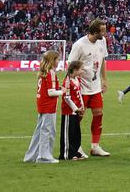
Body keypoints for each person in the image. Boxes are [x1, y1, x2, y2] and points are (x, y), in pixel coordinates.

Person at [68, 19, 109, 156]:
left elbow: (103, 60)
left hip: (96, 87)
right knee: (79, 117)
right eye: (102, 30)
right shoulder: (79, 45)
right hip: (82, 88)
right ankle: (76, 146)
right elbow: (70, 66)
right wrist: (74, 85)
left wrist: (104, 79)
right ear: (94, 31)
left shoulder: (102, 42)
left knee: (99, 114)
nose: (105, 33)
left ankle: (95, 146)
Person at [25, 50, 63, 164]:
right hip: (48, 106)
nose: (59, 61)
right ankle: (44, 157)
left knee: (39, 131)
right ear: (52, 61)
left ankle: (31, 156)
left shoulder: (43, 72)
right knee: (48, 130)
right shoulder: (51, 72)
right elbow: (51, 92)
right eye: (57, 59)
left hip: (42, 104)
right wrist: (63, 91)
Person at [59, 60, 86, 161]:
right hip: (68, 112)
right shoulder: (67, 81)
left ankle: (74, 151)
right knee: (68, 133)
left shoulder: (77, 79)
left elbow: (79, 94)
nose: (83, 71)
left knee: (76, 133)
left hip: (76, 111)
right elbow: (66, 97)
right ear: (75, 70)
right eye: (81, 69)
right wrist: (75, 108)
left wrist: (82, 106)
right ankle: (66, 154)